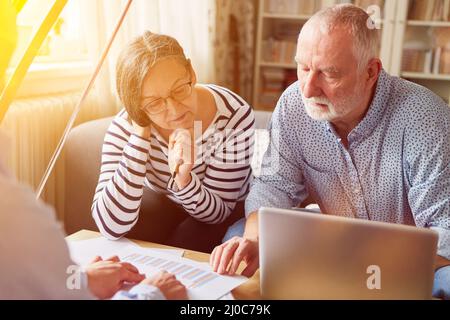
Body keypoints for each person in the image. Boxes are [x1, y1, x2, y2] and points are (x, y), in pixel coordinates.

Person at [210, 4, 450, 299]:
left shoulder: (424, 117)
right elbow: (274, 185)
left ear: (371, 72)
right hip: (331, 246)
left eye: (329, 74)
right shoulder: (293, 105)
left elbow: (445, 228)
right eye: (304, 67)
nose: (309, 88)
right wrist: (254, 239)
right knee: (238, 237)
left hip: (406, 261)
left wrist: (365, 267)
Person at [0, 0, 186, 300]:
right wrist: (153, 294)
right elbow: (111, 225)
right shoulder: (11, 214)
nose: (172, 108)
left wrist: (79, 281)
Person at [92, 31, 255, 253]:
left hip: (221, 209)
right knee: (127, 242)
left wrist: (184, 178)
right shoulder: (126, 125)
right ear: (136, 106)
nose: (175, 110)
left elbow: (218, 213)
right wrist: (140, 135)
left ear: (191, 72)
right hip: (165, 203)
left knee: (189, 239)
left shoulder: (234, 116)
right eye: (154, 103)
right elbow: (110, 226)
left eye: (179, 90)